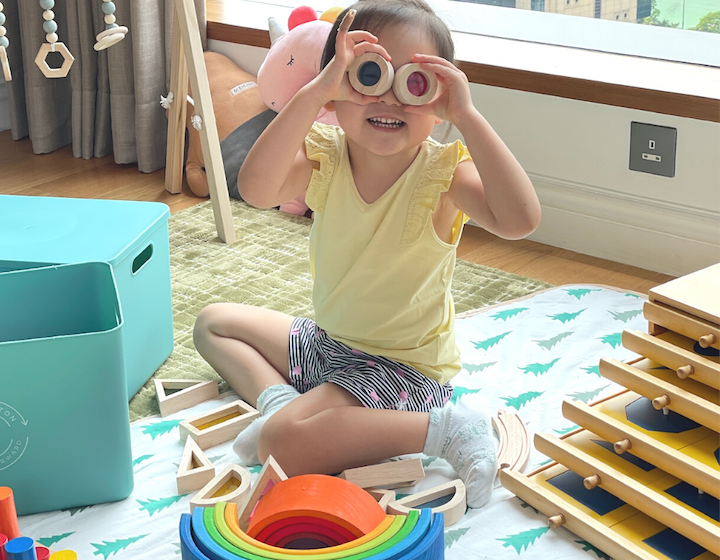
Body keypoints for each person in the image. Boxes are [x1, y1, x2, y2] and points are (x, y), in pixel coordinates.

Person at [193, 0, 541, 508]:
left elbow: (521, 219)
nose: (392, 99)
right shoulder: (324, 155)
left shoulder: (442, 174)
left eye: (415, 83)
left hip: (403, 369)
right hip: (331, 345)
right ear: (337, 87)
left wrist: (467, 115)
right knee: (212, 323)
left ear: (440, 96)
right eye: (370, 75)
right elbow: (256, 188)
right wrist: (315, 92)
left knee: (278, 445)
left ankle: (445, 430)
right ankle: (284, 404)